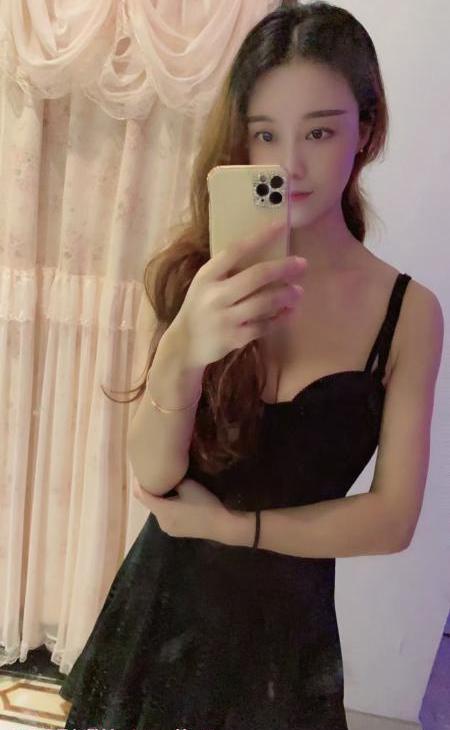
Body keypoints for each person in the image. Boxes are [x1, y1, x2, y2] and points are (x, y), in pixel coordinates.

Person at [59, 2, 443, 729]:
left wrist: (236, 528)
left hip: (287, 640)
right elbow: (154, 477)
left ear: (366, 130)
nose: (288, 165)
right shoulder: (203, 275)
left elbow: (393, 520)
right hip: (160, 617)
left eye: (319, 131)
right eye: (265, 133)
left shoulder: (409, 313)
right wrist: (184, 349)